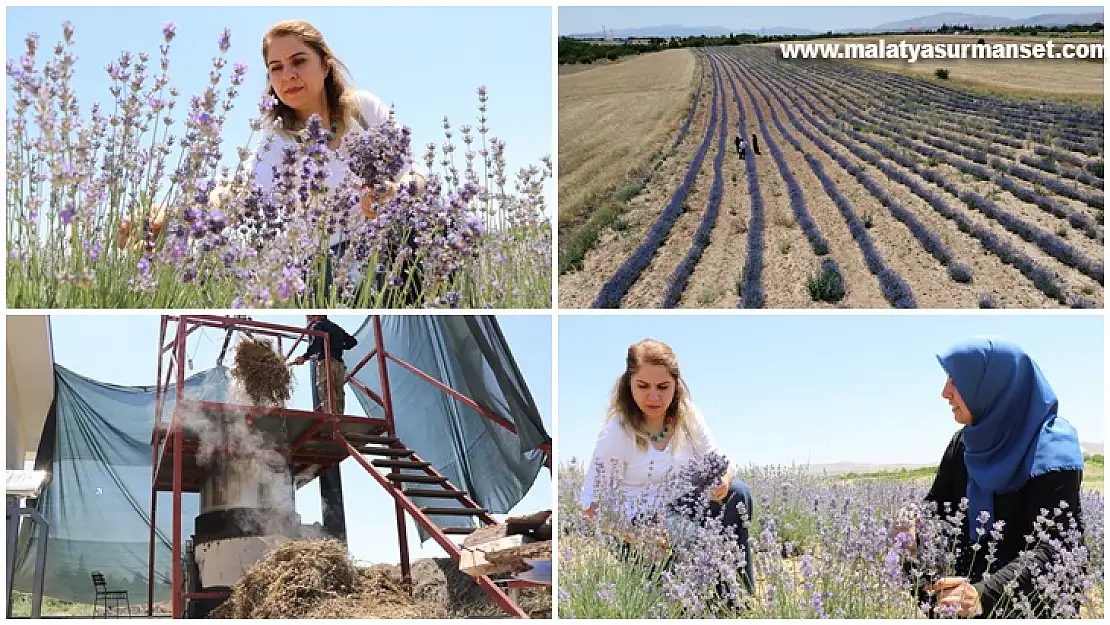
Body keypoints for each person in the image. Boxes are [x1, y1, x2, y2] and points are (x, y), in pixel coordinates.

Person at [894, 337, 1085, 618]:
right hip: (961, 599)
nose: (945, 392)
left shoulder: (1054, 451)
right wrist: (911, 517)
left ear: (992, 387)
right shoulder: (964, 442)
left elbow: (1057, 549)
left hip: (1020, 605)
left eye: (956, 381)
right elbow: (936, 502)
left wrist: (981, 595)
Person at [249, 20, 428, 304]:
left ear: (325, 65)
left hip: (389, 242)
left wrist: (396, 191)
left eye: (299, 61)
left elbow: (416, 172)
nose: (288, 75)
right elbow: (249, 199)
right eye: (276, 68)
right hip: (326, 265)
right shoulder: (275, 142)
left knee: (439, 230)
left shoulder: (363, 109)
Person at [579, 338, 755, 595]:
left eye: (663, 386)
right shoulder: (618, 432)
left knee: (739, 493)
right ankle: (700, 597)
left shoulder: (688, 415)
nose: (653, 396)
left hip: (683, 505)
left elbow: (721, 460)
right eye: (643, 386)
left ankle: (738, 600)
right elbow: (590, 505)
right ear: (629, 384)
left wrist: (724, 479)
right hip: (641, 523)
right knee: (699, 543)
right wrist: (635, 537)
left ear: (676, 385)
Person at [292, 314, 358, 414]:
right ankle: (340, 418)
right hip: (339, 364)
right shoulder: (336, 327)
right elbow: (352, 342)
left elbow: (316, 345)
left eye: (312, 316)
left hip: (326, 363)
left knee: (326, 390)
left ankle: (331, 418)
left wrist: (304, 357)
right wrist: (338, 347)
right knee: (338, 391)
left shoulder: (319, 325)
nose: (311, 319)